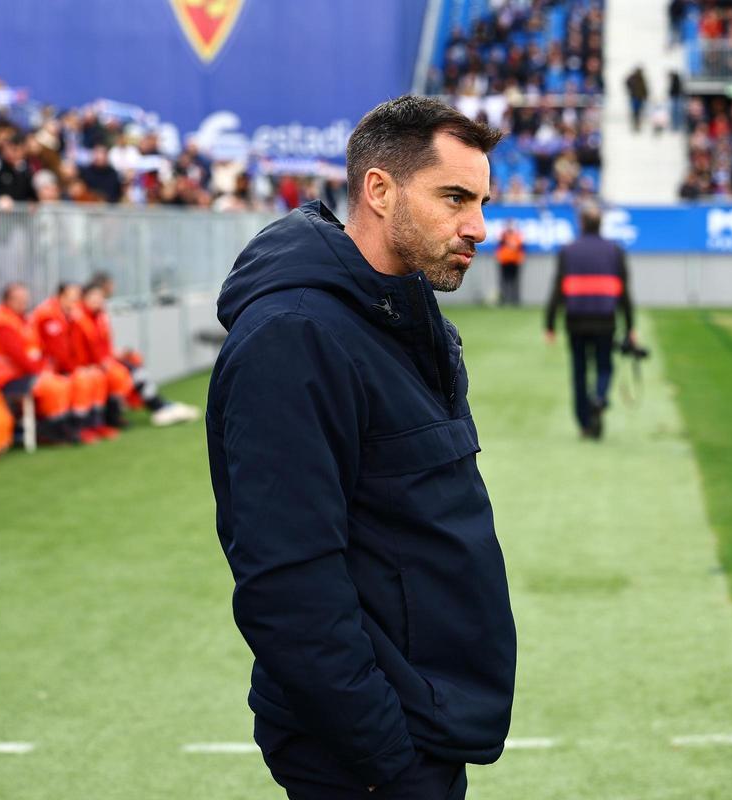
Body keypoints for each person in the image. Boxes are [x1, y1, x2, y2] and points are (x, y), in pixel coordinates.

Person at [206, 95, 516, 799]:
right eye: (456, 198)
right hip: (367, 749)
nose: (479, 227)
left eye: (483, 202)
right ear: (379, 190)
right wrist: (383, 754)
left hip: (419, 720)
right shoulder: (295, 336)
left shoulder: (398, 311)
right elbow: (287, 582)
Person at [544, 202, 635, 439]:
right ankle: (600, 398)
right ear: (600, 224)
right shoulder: (615, 251)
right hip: (606, 321)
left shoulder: (568, 250)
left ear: (581, 223)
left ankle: (585, 424)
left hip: (576, 322)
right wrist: (631, 327)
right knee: (604, 365)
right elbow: (624, 293)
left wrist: (550, 323)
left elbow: (558, 289)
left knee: (580, 371)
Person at [73, 275, 198, 427]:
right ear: (85, 298)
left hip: (105, 360)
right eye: (94, 297)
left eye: (100, 297)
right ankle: (147, 409)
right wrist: (99, 362)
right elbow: (81, 350)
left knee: (135, 363)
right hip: (92, 365)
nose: (98, 300)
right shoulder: (80, 319)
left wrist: (116, 354)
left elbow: (102, 345)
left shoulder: (99, 315)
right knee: (122, 374)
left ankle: (159, 405)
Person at [0, 283, 75, 444]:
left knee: (62, 383)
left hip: (26, 373)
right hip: (9, 378)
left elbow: (36, 349)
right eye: (18, 299)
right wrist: (41, 370)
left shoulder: (22, 319)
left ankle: (60, 427)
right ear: (7, 300)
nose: (23, 303)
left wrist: (45, 366)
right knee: (53, 386)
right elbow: (19, 356)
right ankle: (48, 431)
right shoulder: (2, 322)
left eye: (25, 299)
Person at [30, 282, 116, 443]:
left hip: (67, 366)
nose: (76, 303)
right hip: (51, 369)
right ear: (61, 297)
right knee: (83, 380)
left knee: (97, 376)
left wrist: (88, 365)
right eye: (72, 298)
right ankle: (78, 427)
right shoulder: (48, 316)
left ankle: (95, 423)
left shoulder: (71, 314)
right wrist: (77, 368)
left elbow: (81, 345)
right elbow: (57, 351)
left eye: (77, 299)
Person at [495, 220, 526, 305]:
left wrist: (521, 258)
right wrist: (499, 257)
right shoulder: (503, 236)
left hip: (514, 261)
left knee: (514, 281)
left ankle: (514, 300)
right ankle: (503, 299)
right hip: (504, 261)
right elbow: (498, 247)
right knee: (504, 281)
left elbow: (522, 248)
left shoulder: (517, 236)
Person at [625, 66, 649, 134]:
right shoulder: (634, 78)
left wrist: (645, 95)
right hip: (635, 97)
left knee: (638, 112)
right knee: (635, 112)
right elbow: (627, 83)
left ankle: (637, 124)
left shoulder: (641, 78)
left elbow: (644, 88)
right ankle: (635, 125)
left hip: (639, 97)